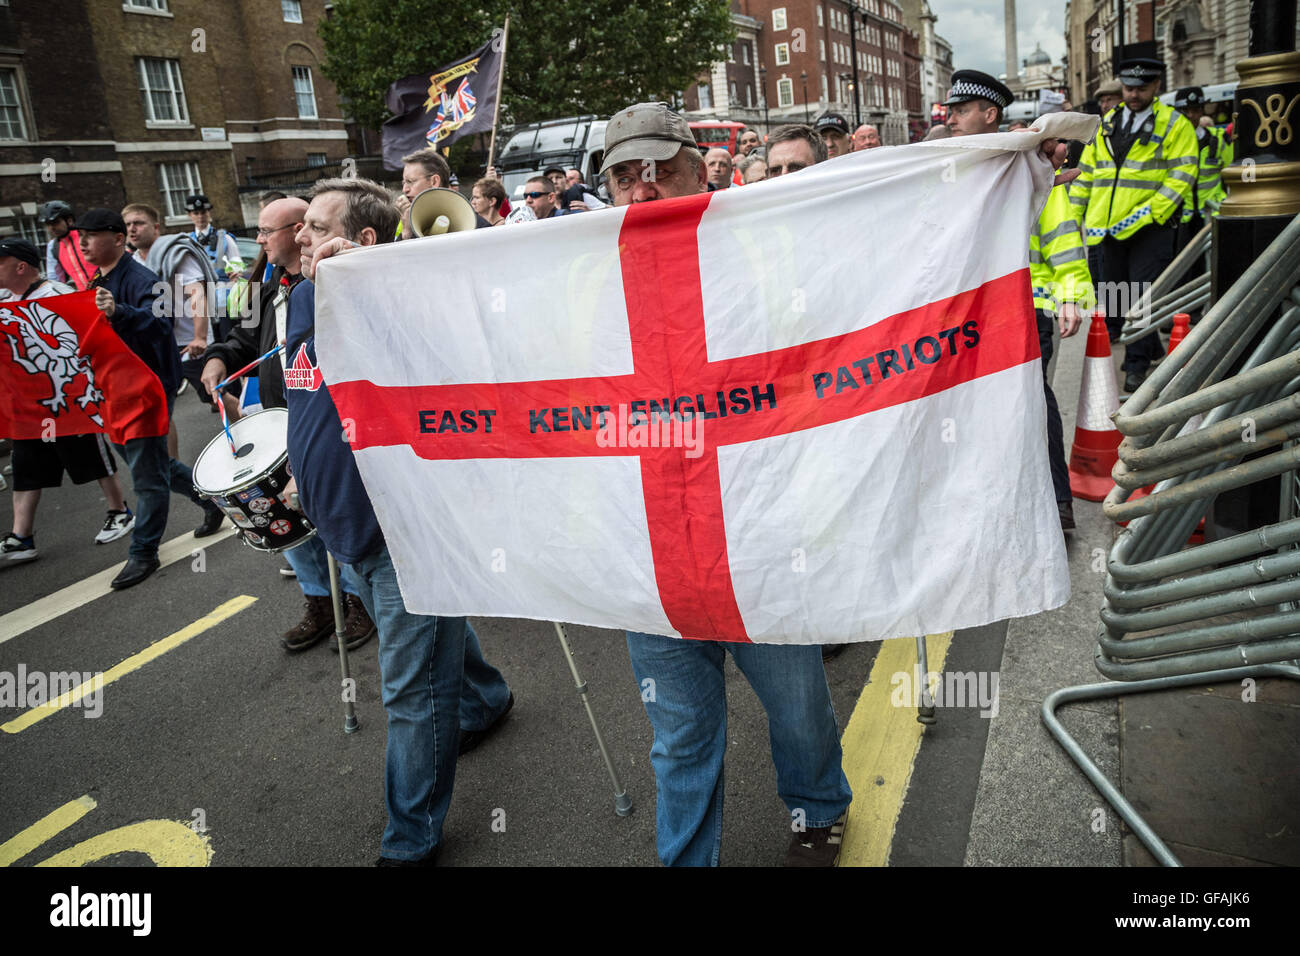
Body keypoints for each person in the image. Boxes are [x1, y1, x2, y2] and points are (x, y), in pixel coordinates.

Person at [600, 102, 853, 867]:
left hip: (759, 534)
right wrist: (356, 272)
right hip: (653, 548)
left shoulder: (761, 250)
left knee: (798, 705)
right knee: (678, 736)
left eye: (659, 173)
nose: (642, 192)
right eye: (623, 178)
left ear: (698, 167)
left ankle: (818, 808)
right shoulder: (575, 269)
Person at [287, 178, 514, 864]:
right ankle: (487, 697)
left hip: (405, 531)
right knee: (432, 636)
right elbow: (307, 396)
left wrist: (371, 285)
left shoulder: (398, 303)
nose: (300, 234)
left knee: (411, 691)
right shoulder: (302, 295)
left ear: (361, 241)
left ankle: (410, 838)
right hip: (341, 522)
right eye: (298, 225)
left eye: (315, 224)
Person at [199, 197, 377, 654]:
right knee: (291, 525)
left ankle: (358, 603)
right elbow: (243, 336)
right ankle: (320, 601)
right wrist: (220, 356)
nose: (258, 240)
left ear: (297, 229)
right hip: (281, 419)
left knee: (337, 516)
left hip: (331, 419)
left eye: (265, 231)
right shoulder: (267, 284)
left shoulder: (330, 277)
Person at [944, 71, 1087, 532]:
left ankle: (1058, 502)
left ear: (990, 114)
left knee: (1033, 399)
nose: (952, 119)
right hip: (971, 312)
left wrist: (1070, 297)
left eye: (961, 111)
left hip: (1024, 307)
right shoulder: (951, 164)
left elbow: (1062, 235)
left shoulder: (1029, 165)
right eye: (950, 111)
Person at [77, 209, 225, 589]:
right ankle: (211, 499)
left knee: (146, 477)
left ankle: (144, 552)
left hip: (144, 389)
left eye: (91, 236)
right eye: (81, 236)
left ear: (116, 240)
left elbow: (161, 324)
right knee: (149, 463)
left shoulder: (141, 277)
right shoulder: (99, 278)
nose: (83, 243)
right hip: (113, 389)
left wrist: (120, 311)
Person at [0, 238, 134, 564]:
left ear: (20, 266)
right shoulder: (3, 299)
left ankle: (119, 511)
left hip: (69, 397)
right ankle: (22, 536)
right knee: (26, 464)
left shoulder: (58, 294)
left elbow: (89, 335)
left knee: (90, 454)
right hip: (29, 403)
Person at [1070, 57, 1198, 393]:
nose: (1134, 94)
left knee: (1141, 296)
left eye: (1142, 88)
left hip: (1149, 228)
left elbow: (1182, 174)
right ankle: (1143, 346)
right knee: (1114, 295)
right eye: (1129, 88)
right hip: (1108, 228)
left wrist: (1150, 213)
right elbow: (1087, 171)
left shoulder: (1173, 124)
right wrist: (1074, 214)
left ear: (1157, 86)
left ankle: (1137, 364)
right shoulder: (1107, 123)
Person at [122, 203, 242, 424]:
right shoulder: (133, 261)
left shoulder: (174, 253)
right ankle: (167, 459)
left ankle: (250, 436)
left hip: (189, 343)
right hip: (159, 342)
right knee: (160, 406)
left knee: (217, 396)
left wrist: (199, 337)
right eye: (128, 224)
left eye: (138, 223)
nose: (132, 229)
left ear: (156, 227)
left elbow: (196, 294)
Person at [1173, 86, 1227, 248]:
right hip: (1181, 217)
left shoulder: (1217, 139)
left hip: (1211, 214)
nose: (1191, 116)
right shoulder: (1170, 141)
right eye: (1186, 111)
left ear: (1202, 111)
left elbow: (1237, 168)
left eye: (1195, 110)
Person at [395, 147, 453, 239]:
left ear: (434, 182)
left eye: (410, 181)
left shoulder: (476, 225)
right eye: (404, 183)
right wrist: (406, 232)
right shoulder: (405, 220)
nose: (404, 189)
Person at [39, 201, 94, 291]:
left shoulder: (86, 235)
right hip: (87, 296)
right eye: (48, 224)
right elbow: (55, 280)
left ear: (69, 221)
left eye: (55, 222)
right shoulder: (53, 247)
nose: (51, 228)